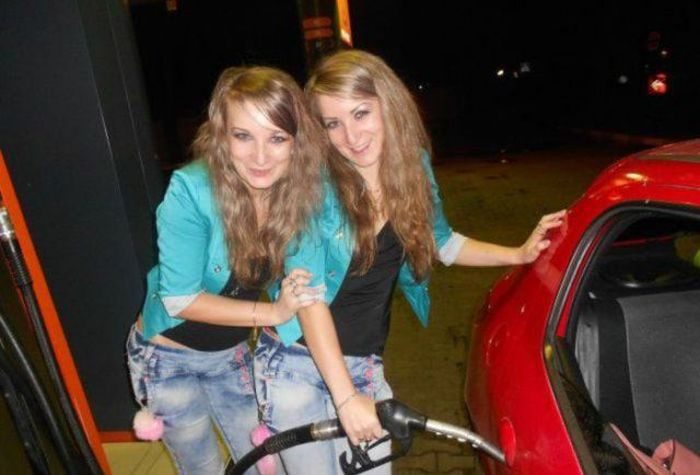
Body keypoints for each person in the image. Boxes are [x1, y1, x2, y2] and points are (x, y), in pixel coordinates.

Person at [254, 49, 566, 474]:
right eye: (332, 123)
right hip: (296, 364)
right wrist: (346, 399)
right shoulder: (312, 186)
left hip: (362, 363)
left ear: (388, 104)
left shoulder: (412, 168)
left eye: (361, 113)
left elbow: (441, 241)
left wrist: (518, 253)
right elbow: (308, 298)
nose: (351, 136)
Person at [125, 65, 325, 474]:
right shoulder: (192, 189)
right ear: (221, 134)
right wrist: (272, 313)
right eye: (243, 136)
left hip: (230, 354)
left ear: (296, 141)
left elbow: (308, 287)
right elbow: (180, 300)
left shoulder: (296, 193)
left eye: (276, 138)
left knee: (263, 464)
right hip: (167, 357)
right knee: (204, 469)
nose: (260, 157)